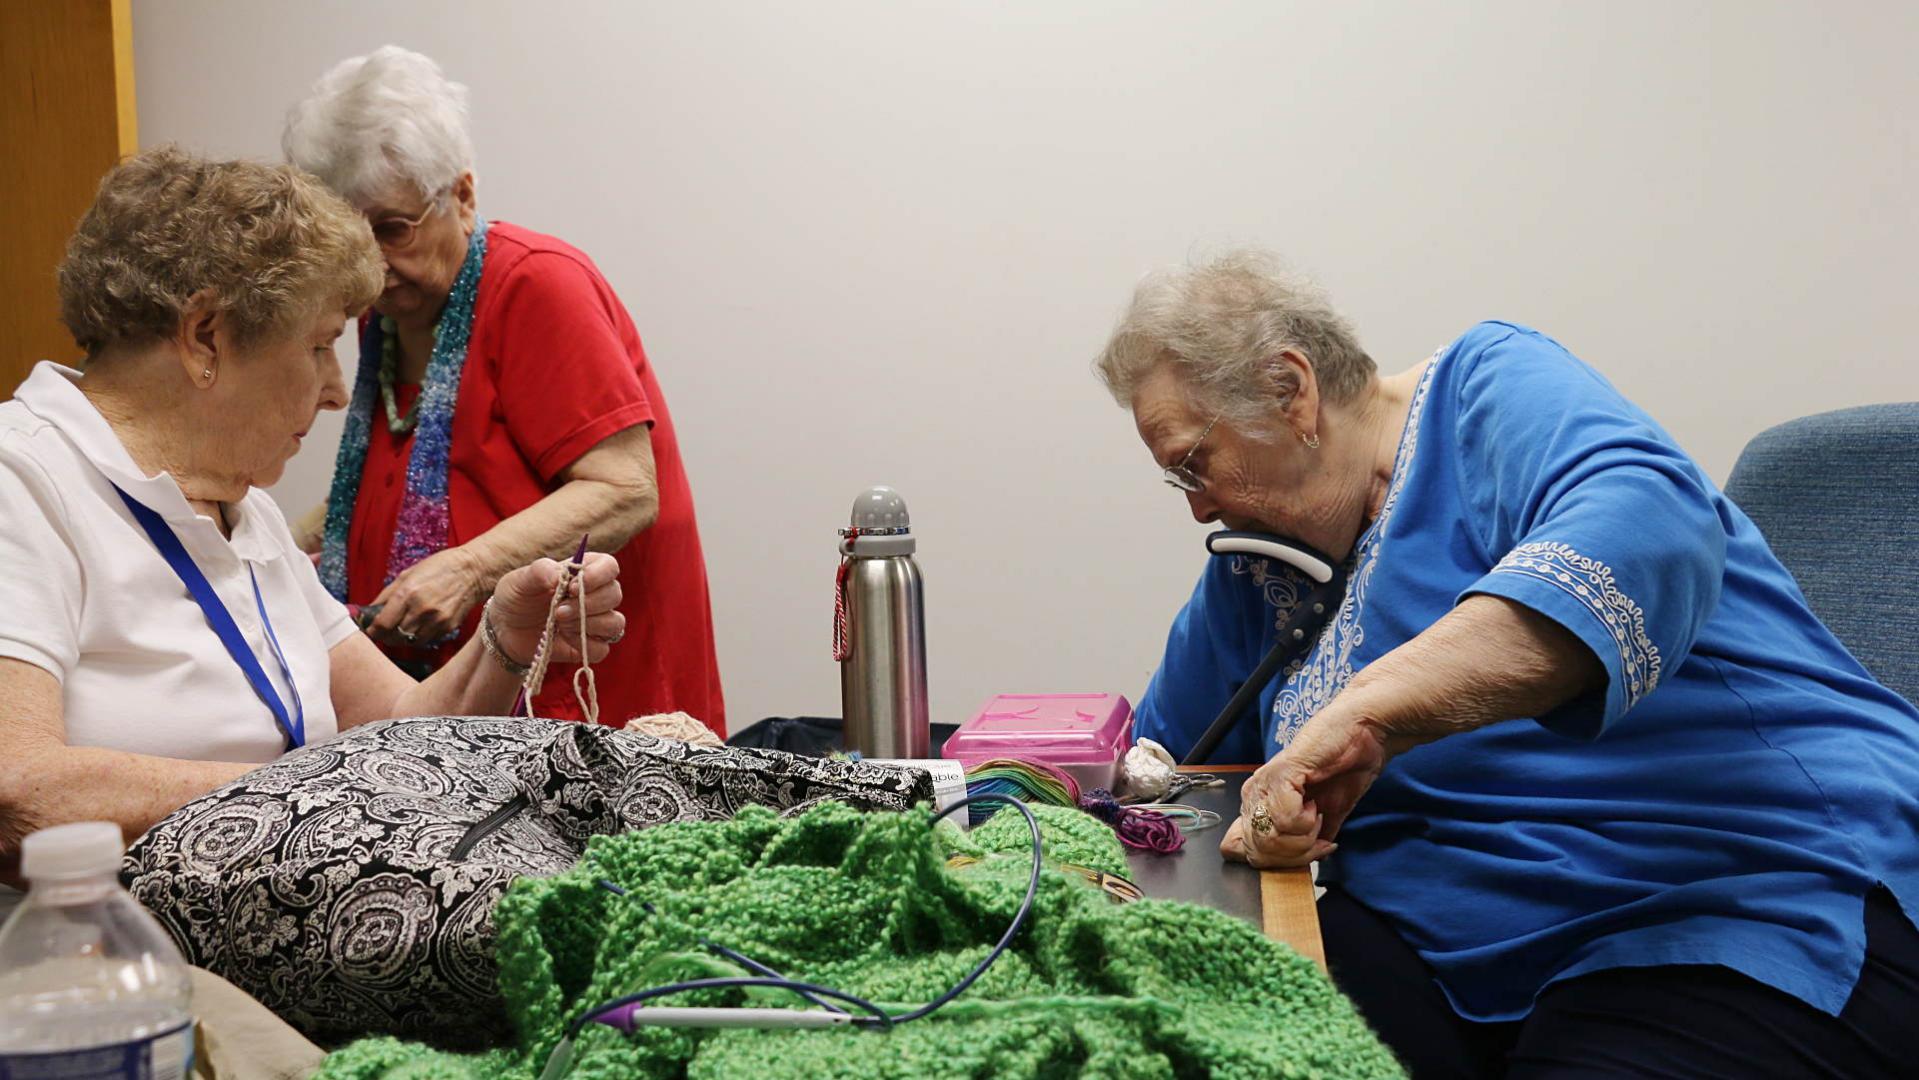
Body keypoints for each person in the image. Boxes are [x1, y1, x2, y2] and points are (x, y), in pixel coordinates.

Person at [1095, 251, 1919, 1076]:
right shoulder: (1267, 560)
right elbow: (1155, 773)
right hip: (1466, 953)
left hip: (1742, 901)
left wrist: (1373, 708)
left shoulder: (1486, 390)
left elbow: (1646, 530)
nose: (1197, 504)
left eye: (1192, 463)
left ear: (1288, 389)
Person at [0, 147, 624, 917]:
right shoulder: (21, 481)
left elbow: (402, 733)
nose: (335, 391)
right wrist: (322, 796)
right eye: (321, 345)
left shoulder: (241, 507)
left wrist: (500, 643)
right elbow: (21, 788)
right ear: (205, 339)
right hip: (110, 969)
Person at [281, 46, 723, 732]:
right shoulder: (385, 312)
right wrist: (281, 546)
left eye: (391, 230)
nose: (370, 262)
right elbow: (415, 476)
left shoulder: (535, 285)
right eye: (347, 236)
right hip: (446, 701)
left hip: (579, 694)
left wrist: (464, 571)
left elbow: (623, 488)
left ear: (461, 195)